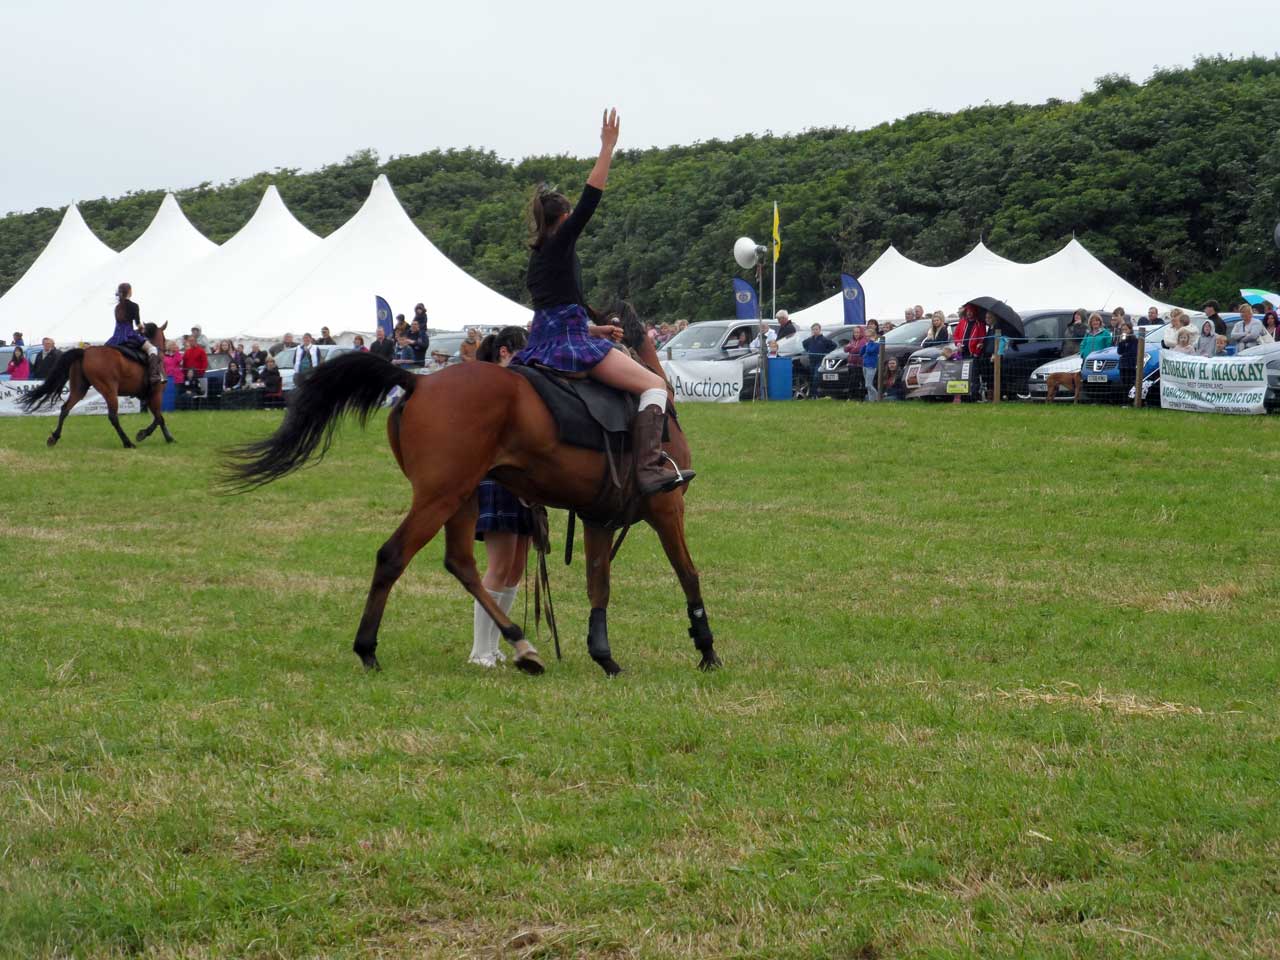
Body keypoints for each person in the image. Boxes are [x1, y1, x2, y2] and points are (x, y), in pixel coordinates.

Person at [514, 108, 690, 496]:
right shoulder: (561, 241)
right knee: (654, 386)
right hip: (568, 346)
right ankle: (647, 468)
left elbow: (551, 313)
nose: (575, 217)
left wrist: (592, 327)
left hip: (544, 342)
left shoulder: (539, 255)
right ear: (562, 217)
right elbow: (592, 197)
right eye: (571, 215)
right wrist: (608, 147)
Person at [469, 326, 536, 667]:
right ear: (506, 353)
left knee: (514, 570)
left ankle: (494, 645)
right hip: (498, 479)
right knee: (498, 567)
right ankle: (480, 650)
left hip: (524, 483)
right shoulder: (492, 387)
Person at [802, 323, 836, 396]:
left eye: (816, 329)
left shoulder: (824, 339)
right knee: (812, 376)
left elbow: (834, 345)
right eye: (813, 329)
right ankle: (812, 394)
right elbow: (804, 343)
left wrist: (826, 352)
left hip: (820, 361)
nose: (815, 331)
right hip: (812, 361)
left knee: (816, 376)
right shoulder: (810, 339)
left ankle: (816, 394)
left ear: (820, 330)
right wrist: (808, 350)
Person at [1116, 321, 1140, 394]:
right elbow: (1119, 351)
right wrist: (1121, 342)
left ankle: (1131, 399)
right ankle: (1124, 400)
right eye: (1123, 330)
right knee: (1123, 383)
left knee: (1130, 382)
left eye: (1126, 329)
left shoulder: (1135, 340)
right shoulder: (1122, 341)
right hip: (1123, 365)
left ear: (1130, 330)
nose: (1124, 331)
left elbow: (1133, 351)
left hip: (1131, 364)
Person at [862, 319, 881, 401]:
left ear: (873, 336)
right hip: (865, 365)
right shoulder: (867, 344)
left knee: (868, 385)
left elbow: (870, 351)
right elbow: (861, 353)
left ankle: (878, 397)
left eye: (869, 336)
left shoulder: (876, 344)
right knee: (868, 385)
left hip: (871, 366)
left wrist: (870, 343)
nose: (867, 338)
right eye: (866, 336)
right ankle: (871, 400)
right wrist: (864, 345)